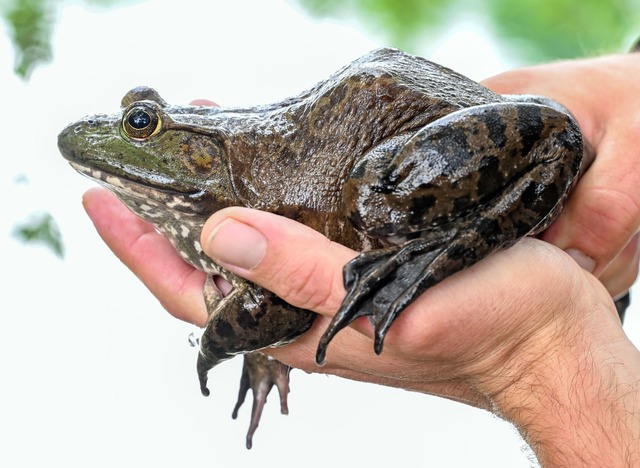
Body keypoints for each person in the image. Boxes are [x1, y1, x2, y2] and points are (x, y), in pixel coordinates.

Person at [82, 51, 640, 466]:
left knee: (377, 204)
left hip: (405, 130)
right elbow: (273, 308)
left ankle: (442, 245)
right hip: (399, 107)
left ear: (194, 148)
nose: (120, 135)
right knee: (377, 197)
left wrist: (535, 354)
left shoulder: (238, 213)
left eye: (143, 127)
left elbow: (286, 306)